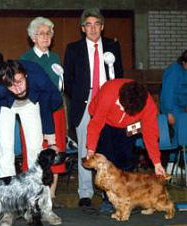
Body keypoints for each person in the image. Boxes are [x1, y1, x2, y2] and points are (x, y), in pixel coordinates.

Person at [63, 8, 123, 208]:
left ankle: (109, 192)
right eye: (88, 24)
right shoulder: (73, 48)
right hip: (85, 101)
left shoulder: (113, 46)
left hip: (109, 100)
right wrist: (82, 96)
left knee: (108, 147)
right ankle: (85, 193)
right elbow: (68, 80)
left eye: (97, 24)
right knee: (85, 147)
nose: (93, 28)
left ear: (102, 27)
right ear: (83, 28)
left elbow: (120, 75)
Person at [20, 17, 66, 208]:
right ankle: (33, 196)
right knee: (33, 151)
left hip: (55, 111)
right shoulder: (25, 59)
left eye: (49, 33)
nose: (46, 37)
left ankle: (51, 196)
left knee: (55, 150)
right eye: (41, 34)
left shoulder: (55, 58)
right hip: (33, 111)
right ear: (33, 38)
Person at [86, 78, 166, 177]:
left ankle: (124, 188)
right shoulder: (108, 92)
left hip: (129, 126)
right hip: (105, 122)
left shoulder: (148, 106)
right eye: (121, 105)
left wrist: (157, 163)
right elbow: (96, 124)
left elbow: (150, 134)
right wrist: (90, 149)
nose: (121, 110)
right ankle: (106, 190)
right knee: (107, 156)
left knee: (126, 157)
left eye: (126, 109)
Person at [160, 50, 187, 146]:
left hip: (182, 106)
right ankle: (174, 159)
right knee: (181, 133)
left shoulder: (185, 70)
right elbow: (168, 93)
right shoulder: (173, 72)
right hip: (172, 106)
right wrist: (169, 113)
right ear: (183, 63)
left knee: (182, 134)